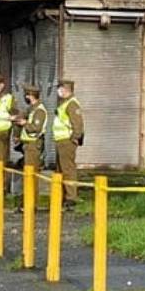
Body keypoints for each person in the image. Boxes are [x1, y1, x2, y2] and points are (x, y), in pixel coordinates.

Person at [52, 79, 83, 208]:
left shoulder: (72, 104)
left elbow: (78, 124)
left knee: (68, 169)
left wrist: (75, 138)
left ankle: (71, 198)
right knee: (61, 170)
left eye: (60, 88)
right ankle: (63, 197)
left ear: (66, 89)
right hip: (61, 140)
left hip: (67, 141)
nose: (59, 91)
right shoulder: (64, 103)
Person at [16, 84, 47, 171]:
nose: (25, 97)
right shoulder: (32, 109)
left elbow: (36, 128)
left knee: (31, 170)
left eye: (26, 95)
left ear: (31, 96)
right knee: (28, 170)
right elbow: (24, 114)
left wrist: (25, 123)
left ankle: (33, 185)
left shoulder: (39, 110)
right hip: (29, 144)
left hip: (33, 144)